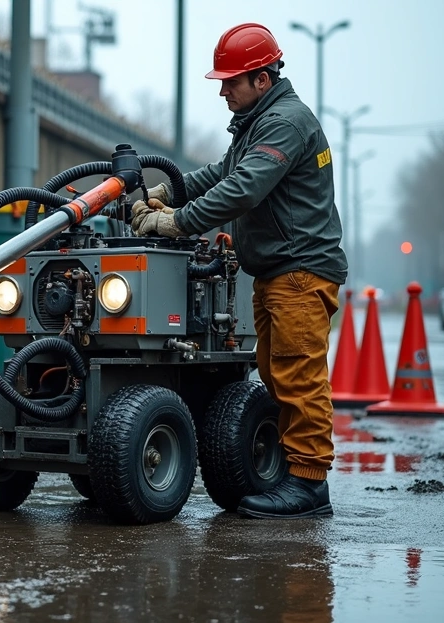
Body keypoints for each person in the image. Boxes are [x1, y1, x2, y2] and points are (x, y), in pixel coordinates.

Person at [130, 23, 347, 519]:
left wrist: (175, 222)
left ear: (263, 79)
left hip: (300, 272)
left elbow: (243, 189)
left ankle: (309, 487)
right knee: (275, 374)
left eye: (231, 81)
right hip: (277, 273)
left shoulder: (286, 123)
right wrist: (171, 191)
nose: (223, 89)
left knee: (298, 377)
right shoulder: (259, 121)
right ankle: (291, 474)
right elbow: (223, 173)